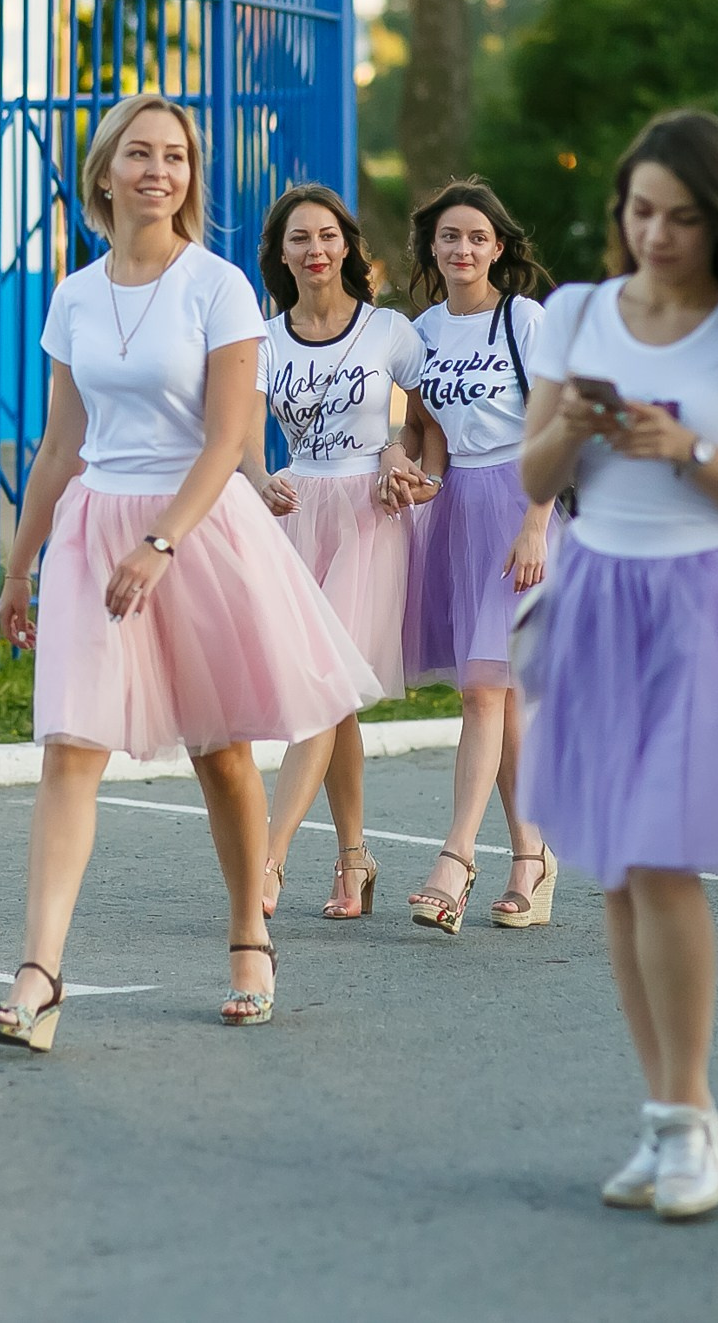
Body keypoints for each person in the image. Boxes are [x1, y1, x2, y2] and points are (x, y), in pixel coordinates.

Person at [0, 94, 378, 1043]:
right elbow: (58, 443)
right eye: (140, 154)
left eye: (176, 156)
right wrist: (19, 562)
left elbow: (225, 439)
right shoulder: (74, 294)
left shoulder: (218, 286)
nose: (158, 170)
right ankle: (38, 972)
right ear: (106, 172)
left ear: (190, 178)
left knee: (220, 750)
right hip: (92, 528)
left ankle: (250, 933)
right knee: (71, 748)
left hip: (195, 526)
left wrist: (161, 543)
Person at [516, 110, 718, 1222]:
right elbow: (529, 474)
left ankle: (692, 1117)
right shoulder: (574, 312)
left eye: (682, 216)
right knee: (614, 862)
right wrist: (579, 428)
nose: (655, 232)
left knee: (661, 857)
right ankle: (663, 1116)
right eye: (639, 210)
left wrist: (684, 447)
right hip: (598, 590)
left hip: (708, 597)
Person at [242, 184, 427, 920]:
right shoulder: (263, 339)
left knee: (323, 686)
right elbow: (239, 435)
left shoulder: (389, 329)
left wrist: (396, 452)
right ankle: (354, 857)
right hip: (295, 510)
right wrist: (256, 480)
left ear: (348, 246)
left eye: (327, 236)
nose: (315, 249)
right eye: (299, 239)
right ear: (280, 255)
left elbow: (431, 418)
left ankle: (269, 860)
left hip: (368, 516)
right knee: (332, 693)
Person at [398, 181, 560, 934]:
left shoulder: (523, 319)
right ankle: (531, 854)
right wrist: (409, 474)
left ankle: (455, 858)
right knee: (497, 695)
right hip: (456, 507)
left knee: (483, 690)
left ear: (499, 247)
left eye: (477, 237)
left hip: (520, 504)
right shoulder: (421, 330)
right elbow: (422, 427)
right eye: (449, 237)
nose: (462, 249)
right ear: (431, 246)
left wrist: (535, 523)